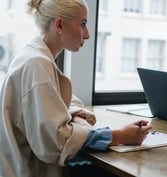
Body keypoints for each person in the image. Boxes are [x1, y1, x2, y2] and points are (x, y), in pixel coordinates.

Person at [0, 0, 152, 177]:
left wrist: (77, 117)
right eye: (83, 24)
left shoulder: (36, 57)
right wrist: (119, 136)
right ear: (59, 25)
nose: (87, 35)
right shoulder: (37, 65)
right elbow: (57, 142)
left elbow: (60, 102)